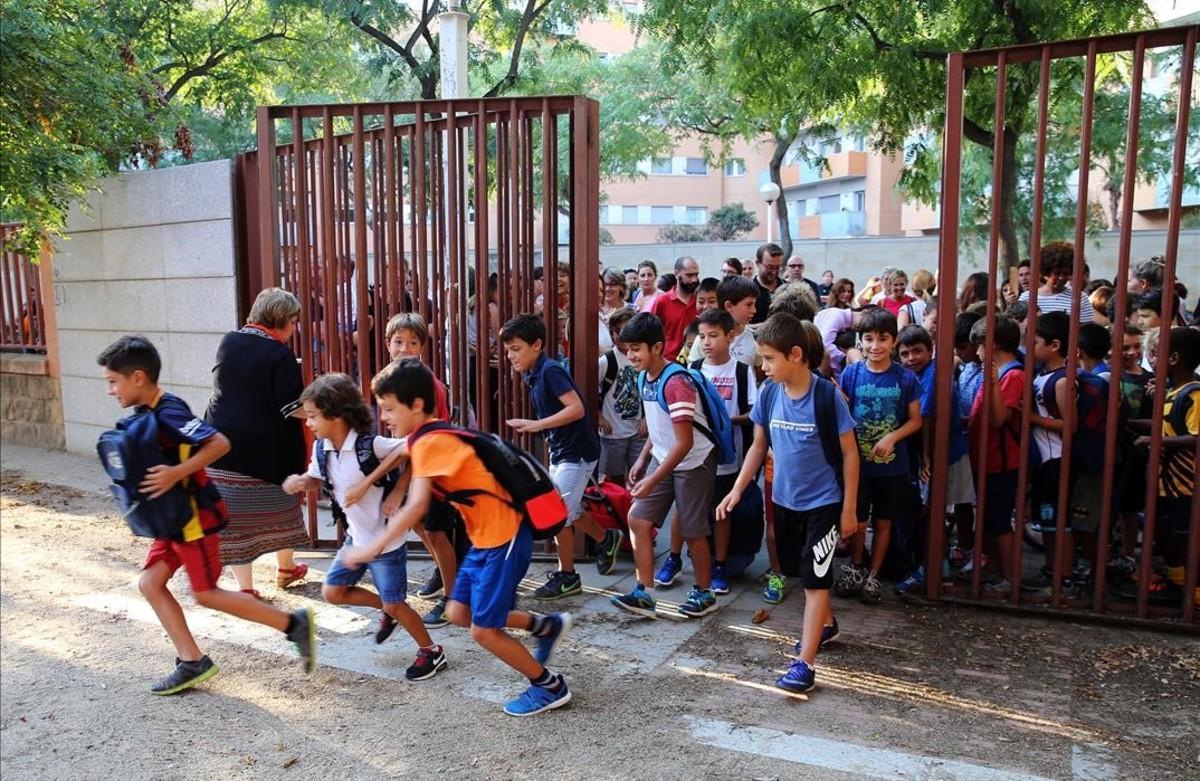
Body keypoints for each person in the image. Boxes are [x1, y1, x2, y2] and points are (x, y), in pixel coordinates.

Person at [345, 359, 576, 717]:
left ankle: (549, 686)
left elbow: (415, 507)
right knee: (458, 612)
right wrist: (366, 484)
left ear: (417, 405)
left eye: (389, 408)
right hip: (485, 539)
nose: (384, 417)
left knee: (483, 631)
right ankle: (545, 626)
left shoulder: (431, 443)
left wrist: (371, 548)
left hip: (506, 537)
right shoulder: (430, 435)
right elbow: (401, 453)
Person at [97, 336, 316, 694]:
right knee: (150, 583)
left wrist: (175, 473)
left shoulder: (170, 412)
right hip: (172, 522)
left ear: (138, 377)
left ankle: (294, 624)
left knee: (207, 593)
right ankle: (192, 661)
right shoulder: (148, 412)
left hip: (194, 520)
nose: (110, 390)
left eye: (113, 381)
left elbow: (219, 443)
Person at [716, 313, 858, 693]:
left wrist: (848, 509)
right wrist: (736, 489)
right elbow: (758, 447)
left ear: (795, 354)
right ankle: (825, 626)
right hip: (784, 501)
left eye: (769, 359)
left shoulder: (828, 397)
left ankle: (804, 665)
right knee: (805, 571)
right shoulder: (769, 394)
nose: (763, 367)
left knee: (814, 581)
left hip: (824, 504)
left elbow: (850, 454)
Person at [281, 374, 446, 679]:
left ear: (338, 414)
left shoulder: (372, 446)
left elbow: (415, 448)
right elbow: (318, 477)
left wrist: (398, 490)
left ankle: (431, 651)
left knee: (398, 605)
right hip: (356, 539)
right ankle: (385, 608)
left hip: (385, 543)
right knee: (333, 592)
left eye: (314, 416)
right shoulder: (322, 448)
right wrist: (303, 481)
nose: (308, 423)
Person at [501, 314, 623, 596]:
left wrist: (536, 425)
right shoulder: (534, 374)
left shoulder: (550, 371)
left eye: (516, 349)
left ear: (537, 345)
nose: (510, 356)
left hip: (576, 453)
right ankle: (605, 539)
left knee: (557, 516)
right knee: (568, 509)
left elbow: (576, 408)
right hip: (563, 452)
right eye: (508, 350)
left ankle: (568, 576)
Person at [611, 312, 720, 619]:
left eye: (636, 348)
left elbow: (684, 442)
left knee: (692, 528)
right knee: (638, 519)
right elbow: (659, 426)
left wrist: (652, 475)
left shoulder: (677, 382)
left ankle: (704, 591)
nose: (630, 355)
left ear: (657, 348)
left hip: (693, 462)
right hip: (664, 458)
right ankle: (644, 592)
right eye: (627, 348)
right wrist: (645, 457)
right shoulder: (645, 375)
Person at [204, 288, 309, 600]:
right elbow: (291, 407)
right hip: (268, 454)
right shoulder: (280, 355)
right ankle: (286, 569)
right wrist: (326, 412)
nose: (294, 329)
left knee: (235, 523)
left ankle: (246, 587)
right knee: (284, 512)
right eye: (292, 322)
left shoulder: (229, 341)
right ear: (279, 319)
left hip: (221, 448)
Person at [375, 311, 465, 627]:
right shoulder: (388, 378)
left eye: (412, 342)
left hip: (434, 469)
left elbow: (430, 438)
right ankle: (443, 571)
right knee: (419, 526)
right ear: (388, 344)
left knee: (437, 532)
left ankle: (452, 597)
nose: (404, 348)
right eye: (398, 341)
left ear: (422, 348)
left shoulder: (429, 385)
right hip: (409, 464)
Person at [660, 309, 758, 595]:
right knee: (684, 506)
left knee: (721, 512)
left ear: (730, 336)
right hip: (695, 454)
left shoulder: (742, 370)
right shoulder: (694, 370)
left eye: (713, 335)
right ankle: (674, 557)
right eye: (702, 336)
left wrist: (723, 421)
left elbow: (752, 412)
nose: (706, 342)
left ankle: (719, 564)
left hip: (728, 454)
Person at [834, 308, 922, 604]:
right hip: (857, 465)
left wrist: (892, 436)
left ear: (894, 341)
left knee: (883, 522)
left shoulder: (905, 378)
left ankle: (874, 574)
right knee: (858, 521)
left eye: (883, 339)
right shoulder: (851, 373)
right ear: (860, 341)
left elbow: (915, 420)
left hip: (892, 466)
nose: (875, 346)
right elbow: (844, 414)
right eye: (868, 339)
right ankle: (856, 567)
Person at [894, 324, 974, 596]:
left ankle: (932, 570)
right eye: (905, 354)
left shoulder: (932, 373)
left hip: (944, 452)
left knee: (933, 511)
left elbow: (926, 417)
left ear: (930, 350)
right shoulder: (924, 373)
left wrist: (927, 456)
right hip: (936, 452)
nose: (911, 358)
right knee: (931, 510)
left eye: (917, 351)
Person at [1135, 327, 1200, 607]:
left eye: (1156, 353)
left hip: (1185, 484)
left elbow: (1195, 436)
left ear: (1173, 357)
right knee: (1164, 535)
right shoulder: (1171, 391)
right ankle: (1178, 585)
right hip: (1165, 483)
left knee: (1184, 538)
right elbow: (1167, 425)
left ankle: (1192, 593)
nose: (1151, 358)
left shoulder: (1193, 394)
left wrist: (1154, 439)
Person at [964, 316, 1025, 591]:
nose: (977, 352)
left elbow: (1000, 418)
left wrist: (991, 384)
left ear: (994, 344)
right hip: (987, 459)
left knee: (1000, 522)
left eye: (980, 346)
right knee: (991, 519)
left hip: (1001, 462)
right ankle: (995, 570)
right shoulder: (999, 374)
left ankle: (1010, 580)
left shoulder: (1012, 376)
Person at [1026, 311, 1076, 593]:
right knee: (1047, 520)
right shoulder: (1042, 374)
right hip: (1044, 463)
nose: (1031, 348)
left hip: (1056, 461)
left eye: (1036, 342)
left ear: (1054, 345)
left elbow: (1070, 425)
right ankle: (1051, 569)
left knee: (1060, 522)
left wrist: (1031, 418)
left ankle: (1064, 575)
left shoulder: (1060, 380)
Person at [597, 308, 646, 485]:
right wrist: (598, 416)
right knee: (613, 479)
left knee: (638, 475)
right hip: (612, 432)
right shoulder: (606, 361)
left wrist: (647, 418)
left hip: (638, 430)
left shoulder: (644, 358)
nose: (623, 336)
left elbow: (650, 389)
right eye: (618, 331)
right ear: (612, 333)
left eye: (628, 330)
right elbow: (587, 390)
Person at [687, 275, 759, 367]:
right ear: (729, 306)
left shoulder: (755, 339)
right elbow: (693, 374)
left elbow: (759, 376)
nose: (754, 310)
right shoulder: (703, 340)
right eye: (749, 305)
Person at [1018, 241, 1095, 323]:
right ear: (1046, 272)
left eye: (1066, 273)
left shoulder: (1080, 298)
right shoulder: (1027, 298)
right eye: (1057, 273)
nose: (1061, 277)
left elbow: (1086, 329)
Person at [650, 256, 701, 359]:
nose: (694, 279)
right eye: (689, 275)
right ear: (677, 274)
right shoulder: (662, 302)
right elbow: (651, 333)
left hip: (697, 360)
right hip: (669, 361)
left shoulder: (701, 301)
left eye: (696, 275)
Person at [750, 244, 784, 324]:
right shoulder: (746, 291)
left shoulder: (788, 289)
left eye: (778, 267)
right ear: (758, 263)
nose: (774, 272)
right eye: (769, 267)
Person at [600, 267, 630, 352]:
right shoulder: (595, 310)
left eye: (612, 285)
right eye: (605, 284)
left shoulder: (632, 310)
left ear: (621, 287)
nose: (607, 289)